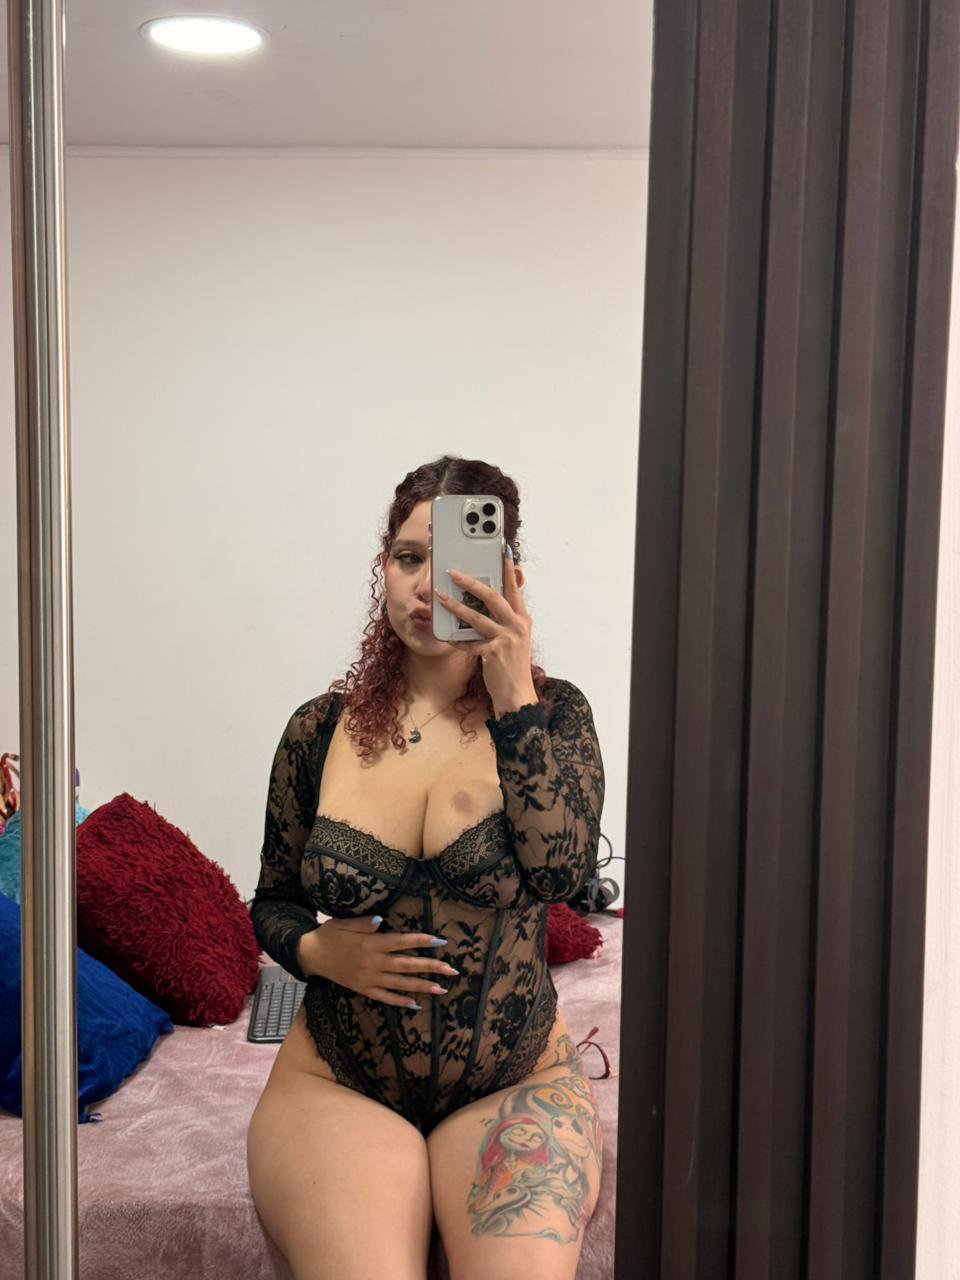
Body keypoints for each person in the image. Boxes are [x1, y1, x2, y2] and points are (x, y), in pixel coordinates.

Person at [246, 456, 606, 1280]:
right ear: (383, 567)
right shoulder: (319, 730)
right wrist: (313, 950)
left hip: (515, 1080)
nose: (425, 586)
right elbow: (272, 900)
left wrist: (513, 700)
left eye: (452, 564)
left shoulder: (556, 716)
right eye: (408, 558)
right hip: (337, 1081)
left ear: (505, 576)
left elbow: (561, 876)